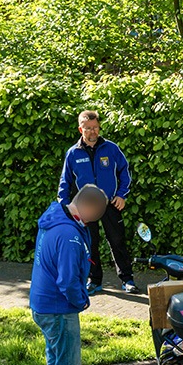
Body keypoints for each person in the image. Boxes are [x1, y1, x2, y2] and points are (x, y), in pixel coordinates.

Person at [30, 183, 109, 365]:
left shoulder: (55, 217)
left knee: (56, 360)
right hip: (59, 307)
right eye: (96, 216)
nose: (95, 222)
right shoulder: (69, 235)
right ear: (88, 207)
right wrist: (82, 300)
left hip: (43, 303)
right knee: (67, 364)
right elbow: (67, 280)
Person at [57, 109, 138, 295]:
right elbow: (65, 182)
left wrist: (122, 195)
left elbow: (125, 172)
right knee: (89, 244)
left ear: (99, 127)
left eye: (95, 128)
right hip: (85, 207)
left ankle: (127, 280)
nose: (93, 132)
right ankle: (94, 280)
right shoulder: (73, 153)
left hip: (110, 204)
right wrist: (67, 206)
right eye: (88, 128)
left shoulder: (111, 148)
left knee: (117, 241)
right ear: (80, 129)